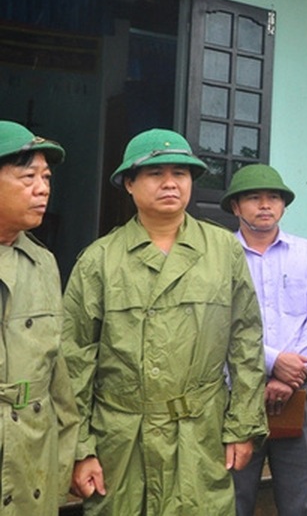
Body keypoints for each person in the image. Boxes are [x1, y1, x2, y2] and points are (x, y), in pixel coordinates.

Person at [62, 128, 268, 515]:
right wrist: (81, 449)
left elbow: (246, 342)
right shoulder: (100, 260)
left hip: (199, 437)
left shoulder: (223, 251)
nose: (171, 183)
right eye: (156, 174)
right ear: (129, 183)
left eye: (181, 173)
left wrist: (243, 426)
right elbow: (74, 360)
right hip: (122, 440)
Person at [223, 164, 307, 516]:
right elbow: (219, 324)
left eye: (273, 198)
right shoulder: (221, 257)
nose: (265, 205)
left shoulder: (306, 253)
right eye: (253, 198)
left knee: (305, 500)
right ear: (236, 207)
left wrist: (289, 372)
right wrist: (273, 362)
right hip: (236, 394)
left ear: (284, 206)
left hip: (300, 393)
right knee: (231, 498)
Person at [0, 121, 79, 513]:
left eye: (46, 177)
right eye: (28, 176)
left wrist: (65, 455)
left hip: (33, 453)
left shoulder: (44, 262)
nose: (43, 188)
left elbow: (57, 372)